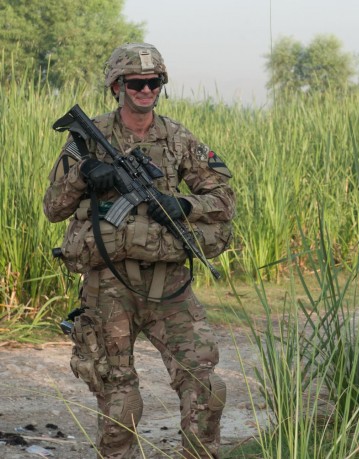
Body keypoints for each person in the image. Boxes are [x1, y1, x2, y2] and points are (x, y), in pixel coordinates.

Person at [43, 43, 235, 459]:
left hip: (170, 286)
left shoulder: (178, 137)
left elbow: (224, 197)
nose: (147, 89)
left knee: (206, 387)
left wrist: (183, 204)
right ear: (117, 86)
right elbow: (53, 209)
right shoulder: (87, 139)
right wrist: (83, 175)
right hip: (110, 287)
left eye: (154, 82)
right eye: (137, 83)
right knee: (121, 402)